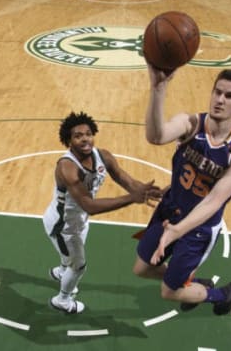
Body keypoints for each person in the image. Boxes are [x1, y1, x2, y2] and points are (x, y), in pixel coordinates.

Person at [132, 66, 231, 316]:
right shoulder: (191, 123)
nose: (220, 100)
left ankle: (222, 295)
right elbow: (156, 136)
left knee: (169, 292)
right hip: (170, 210)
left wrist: (177, 231)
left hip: (198, 228)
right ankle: (193, 283)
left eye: (230, 96)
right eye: (217, 92)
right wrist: (158, 88)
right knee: (142, 269)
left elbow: (214, 200)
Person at [43, 111, 162, 314]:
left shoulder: (103, 156)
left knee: (71, 258)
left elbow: (128, 182)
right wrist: (131, 199)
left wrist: (150, 191)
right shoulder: (67, 167)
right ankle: (62, 300)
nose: (85, 139)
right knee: (79, 265)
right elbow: (89, 205)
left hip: (79, 220)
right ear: (68, 140)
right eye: (78, 135)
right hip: (62, 226)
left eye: (88, 133)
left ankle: (63, 270)